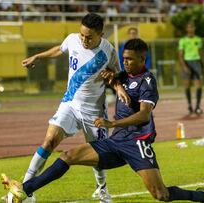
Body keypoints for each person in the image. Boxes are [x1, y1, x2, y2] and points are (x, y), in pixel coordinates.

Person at [1, 38, 204, 203]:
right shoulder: (122, 75)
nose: (125, 63)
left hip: (137, 142)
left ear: (142, 59)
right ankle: (24, 189)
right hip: (115, 142)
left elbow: (144, 115)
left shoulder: (148, 81)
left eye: (130, 60)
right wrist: (114, 82)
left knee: (161, 195)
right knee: (68, 156)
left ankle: (201, 196)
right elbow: (109, 75)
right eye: (124, 59)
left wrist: (112, 124)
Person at [11, 13, 130, 203]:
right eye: (82, 35)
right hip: (70, 103)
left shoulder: (108, 51)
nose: (84, 40)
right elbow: (60, 49)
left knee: (97, 156)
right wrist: (38, 56)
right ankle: (25, 188)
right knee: (49, 141)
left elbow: (116, 75)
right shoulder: (72, 40)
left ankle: (102, 189)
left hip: (94, 112)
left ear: (101, 34)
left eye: (89, 37)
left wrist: (119, 87)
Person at [178, 22, 204, 115]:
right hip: (187, 62)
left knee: (199, 85)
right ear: (186, 29)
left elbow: (200, 53)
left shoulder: (198, 39)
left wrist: (202, 65)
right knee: (187, 85)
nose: (191, 29)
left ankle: (197, 106)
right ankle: (189, 106)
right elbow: (180, 55)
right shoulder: (183, 40)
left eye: (192, 27)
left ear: (194, 28)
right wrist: (184, 66)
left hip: (196, 62)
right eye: (189, 27)